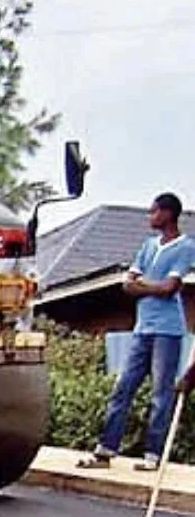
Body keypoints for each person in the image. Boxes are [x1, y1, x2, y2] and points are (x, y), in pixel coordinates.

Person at [78, 193, 195, 471]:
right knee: (123, 387)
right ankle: (106, 450)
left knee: (160, 393)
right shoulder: (147, 246)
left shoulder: (186, 247)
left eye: (154, 212)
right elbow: (127, 285)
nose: (150, 217)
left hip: (167, 330)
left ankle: (153, 456)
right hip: (142, 328)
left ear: (168, 213)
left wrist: (144, 285)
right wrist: (152, 286)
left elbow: (170, 288)